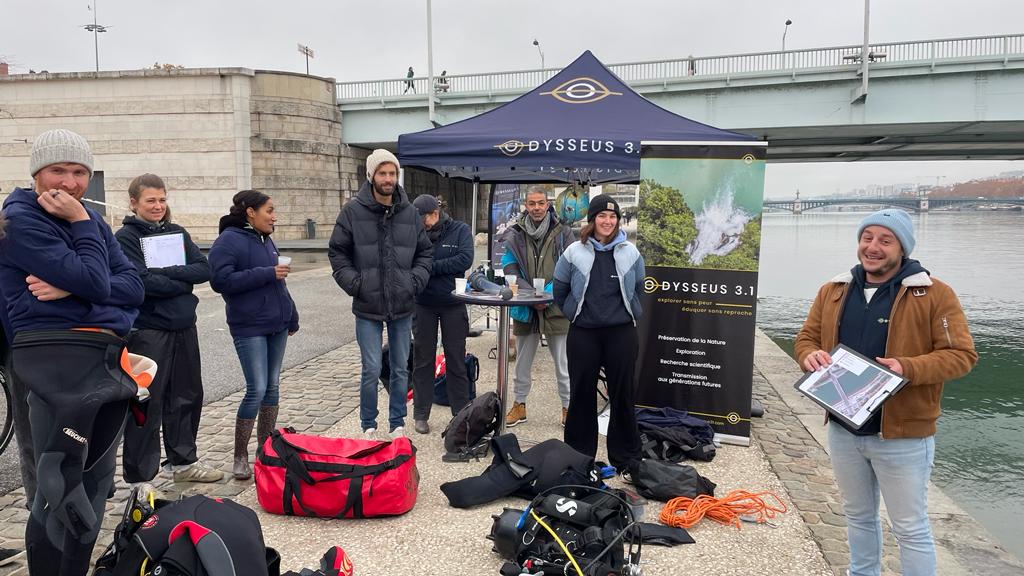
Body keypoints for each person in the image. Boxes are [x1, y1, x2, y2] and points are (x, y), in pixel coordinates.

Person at [795, 209, 977, 576]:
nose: (872, 247)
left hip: (903, 434)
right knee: (858, 516)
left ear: (902, 248)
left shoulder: (934, 293)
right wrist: (809, 355)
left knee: (910, 527)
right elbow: (806, 338)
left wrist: (906, 367)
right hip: (845, 426)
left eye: (885, 240)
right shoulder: (833, 290)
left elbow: (961, 356)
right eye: (867, 237)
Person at [0, 128, 145, 575]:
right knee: (58, 484)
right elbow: (102, 283)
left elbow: (133, 287)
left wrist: (73, 288)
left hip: (102, 357)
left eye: (79, 171)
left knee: (98, 478)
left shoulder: (93, 221)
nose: (69, 183)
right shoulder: (21, 218)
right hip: (50, 362)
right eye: (57, 170)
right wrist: (83, 237)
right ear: (36, 173)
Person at [115, 174, 223, 485]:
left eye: (162, 199)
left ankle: (183, 461)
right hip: (149, 331)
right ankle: (140, 476)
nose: (158, 206)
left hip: (183, 328)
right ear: (134, 202)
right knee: (147, 403)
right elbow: (140, 281)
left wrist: (165, 273)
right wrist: (180, 279)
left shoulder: (177, 232)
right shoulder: (126, 238)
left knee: (187, 396)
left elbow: (203, 269)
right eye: (151, 200)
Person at [329, 149, 432, 439]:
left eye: (392, 173)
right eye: (382, 173)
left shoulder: (410, 213)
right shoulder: (352, 212)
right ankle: (368, 425)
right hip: (367, 304)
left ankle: (397, 423)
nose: (388, 179)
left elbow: (425, 253)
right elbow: (338, 253)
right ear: (371, 175)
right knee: (371, 369)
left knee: (400, 368)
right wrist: (355, 283)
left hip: (402, 303)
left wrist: (413, 281)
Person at [209, 190, 299, 480]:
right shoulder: (228, 240)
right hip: (249, 327)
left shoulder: (266, 238)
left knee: (272, 387)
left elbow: (279, 285)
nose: (274, 216)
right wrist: (266, 273)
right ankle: (240, 455)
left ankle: (266, 449)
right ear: (251, 212)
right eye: (269, 210)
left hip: (277, 324)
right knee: (256, 389)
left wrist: (291, 314)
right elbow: (220, 281)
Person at [552, 194, 644, 474]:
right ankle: (579, 455)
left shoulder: (631, 252)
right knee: (581, 395)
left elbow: (639, 288)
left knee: (623, 394)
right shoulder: (573, 252)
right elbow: (559, 289)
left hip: (621, 333)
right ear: (592, 220)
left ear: (618, 220)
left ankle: (626, 456)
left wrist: (632, 313)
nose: (608, 221)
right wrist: (575, 314)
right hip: (584, 334)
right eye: (602, 216)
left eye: (613, 216)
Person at [498, 186, 574, 428]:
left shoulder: (564, 233)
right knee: (521, 363)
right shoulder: (515, 233)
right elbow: (509, 266)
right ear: (526, 205)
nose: (537, 208)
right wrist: (531, 296)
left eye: (541, 203)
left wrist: (548, 295)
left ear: (548, 204)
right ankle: (519, 406)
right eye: (532, 203)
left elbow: (571, 268)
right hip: (525, 307)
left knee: (563, 364)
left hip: (557, 307)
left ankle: (568, 407)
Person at [410, 194, 474, 435]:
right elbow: (410, 262)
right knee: (423, 360)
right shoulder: (416, 233)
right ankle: (420, 414)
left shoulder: (460, 230)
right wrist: (436, 266)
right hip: (423, 303)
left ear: (434, 214)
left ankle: (460, 413)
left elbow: (464, 260)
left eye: (422, 219)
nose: (419, 224)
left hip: (453, 303)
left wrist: (429, 267)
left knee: (456, 360)